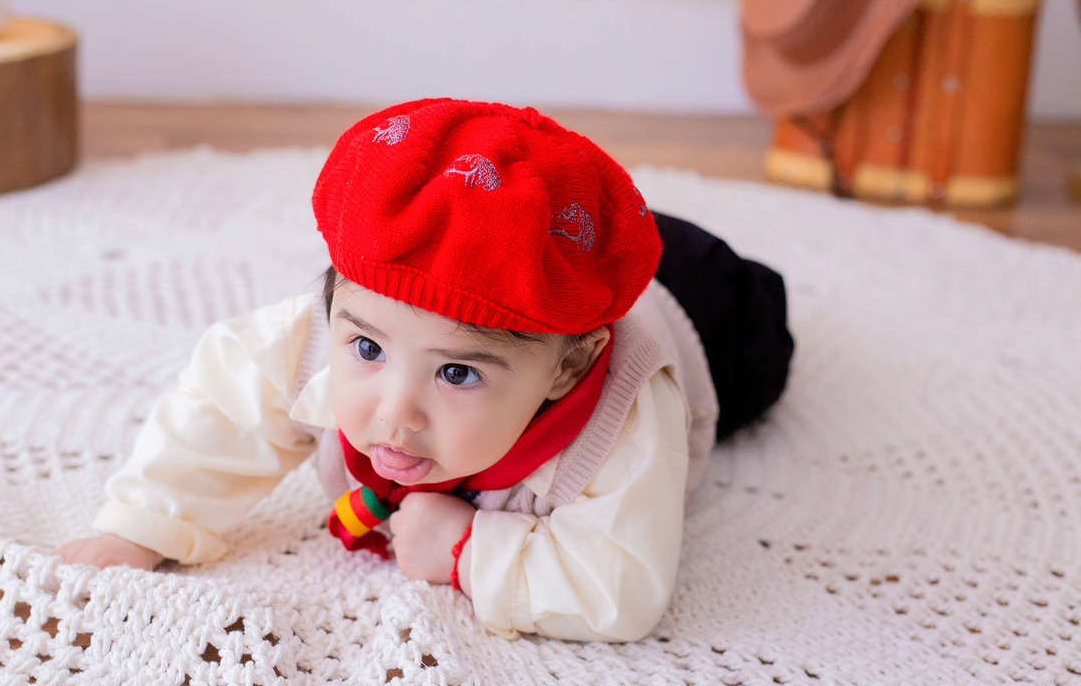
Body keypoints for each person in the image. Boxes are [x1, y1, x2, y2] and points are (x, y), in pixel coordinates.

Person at [56, 98, 793, 642]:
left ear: (568, 369)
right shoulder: (311, 333)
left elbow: (622, 584)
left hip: (701, 305)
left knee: (761, 352)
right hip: (521, 246)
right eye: (369, 351)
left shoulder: (618, 413)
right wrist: (144, 525)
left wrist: (471, 548)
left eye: (459, 374)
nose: (395, 412)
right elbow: (218, 412)